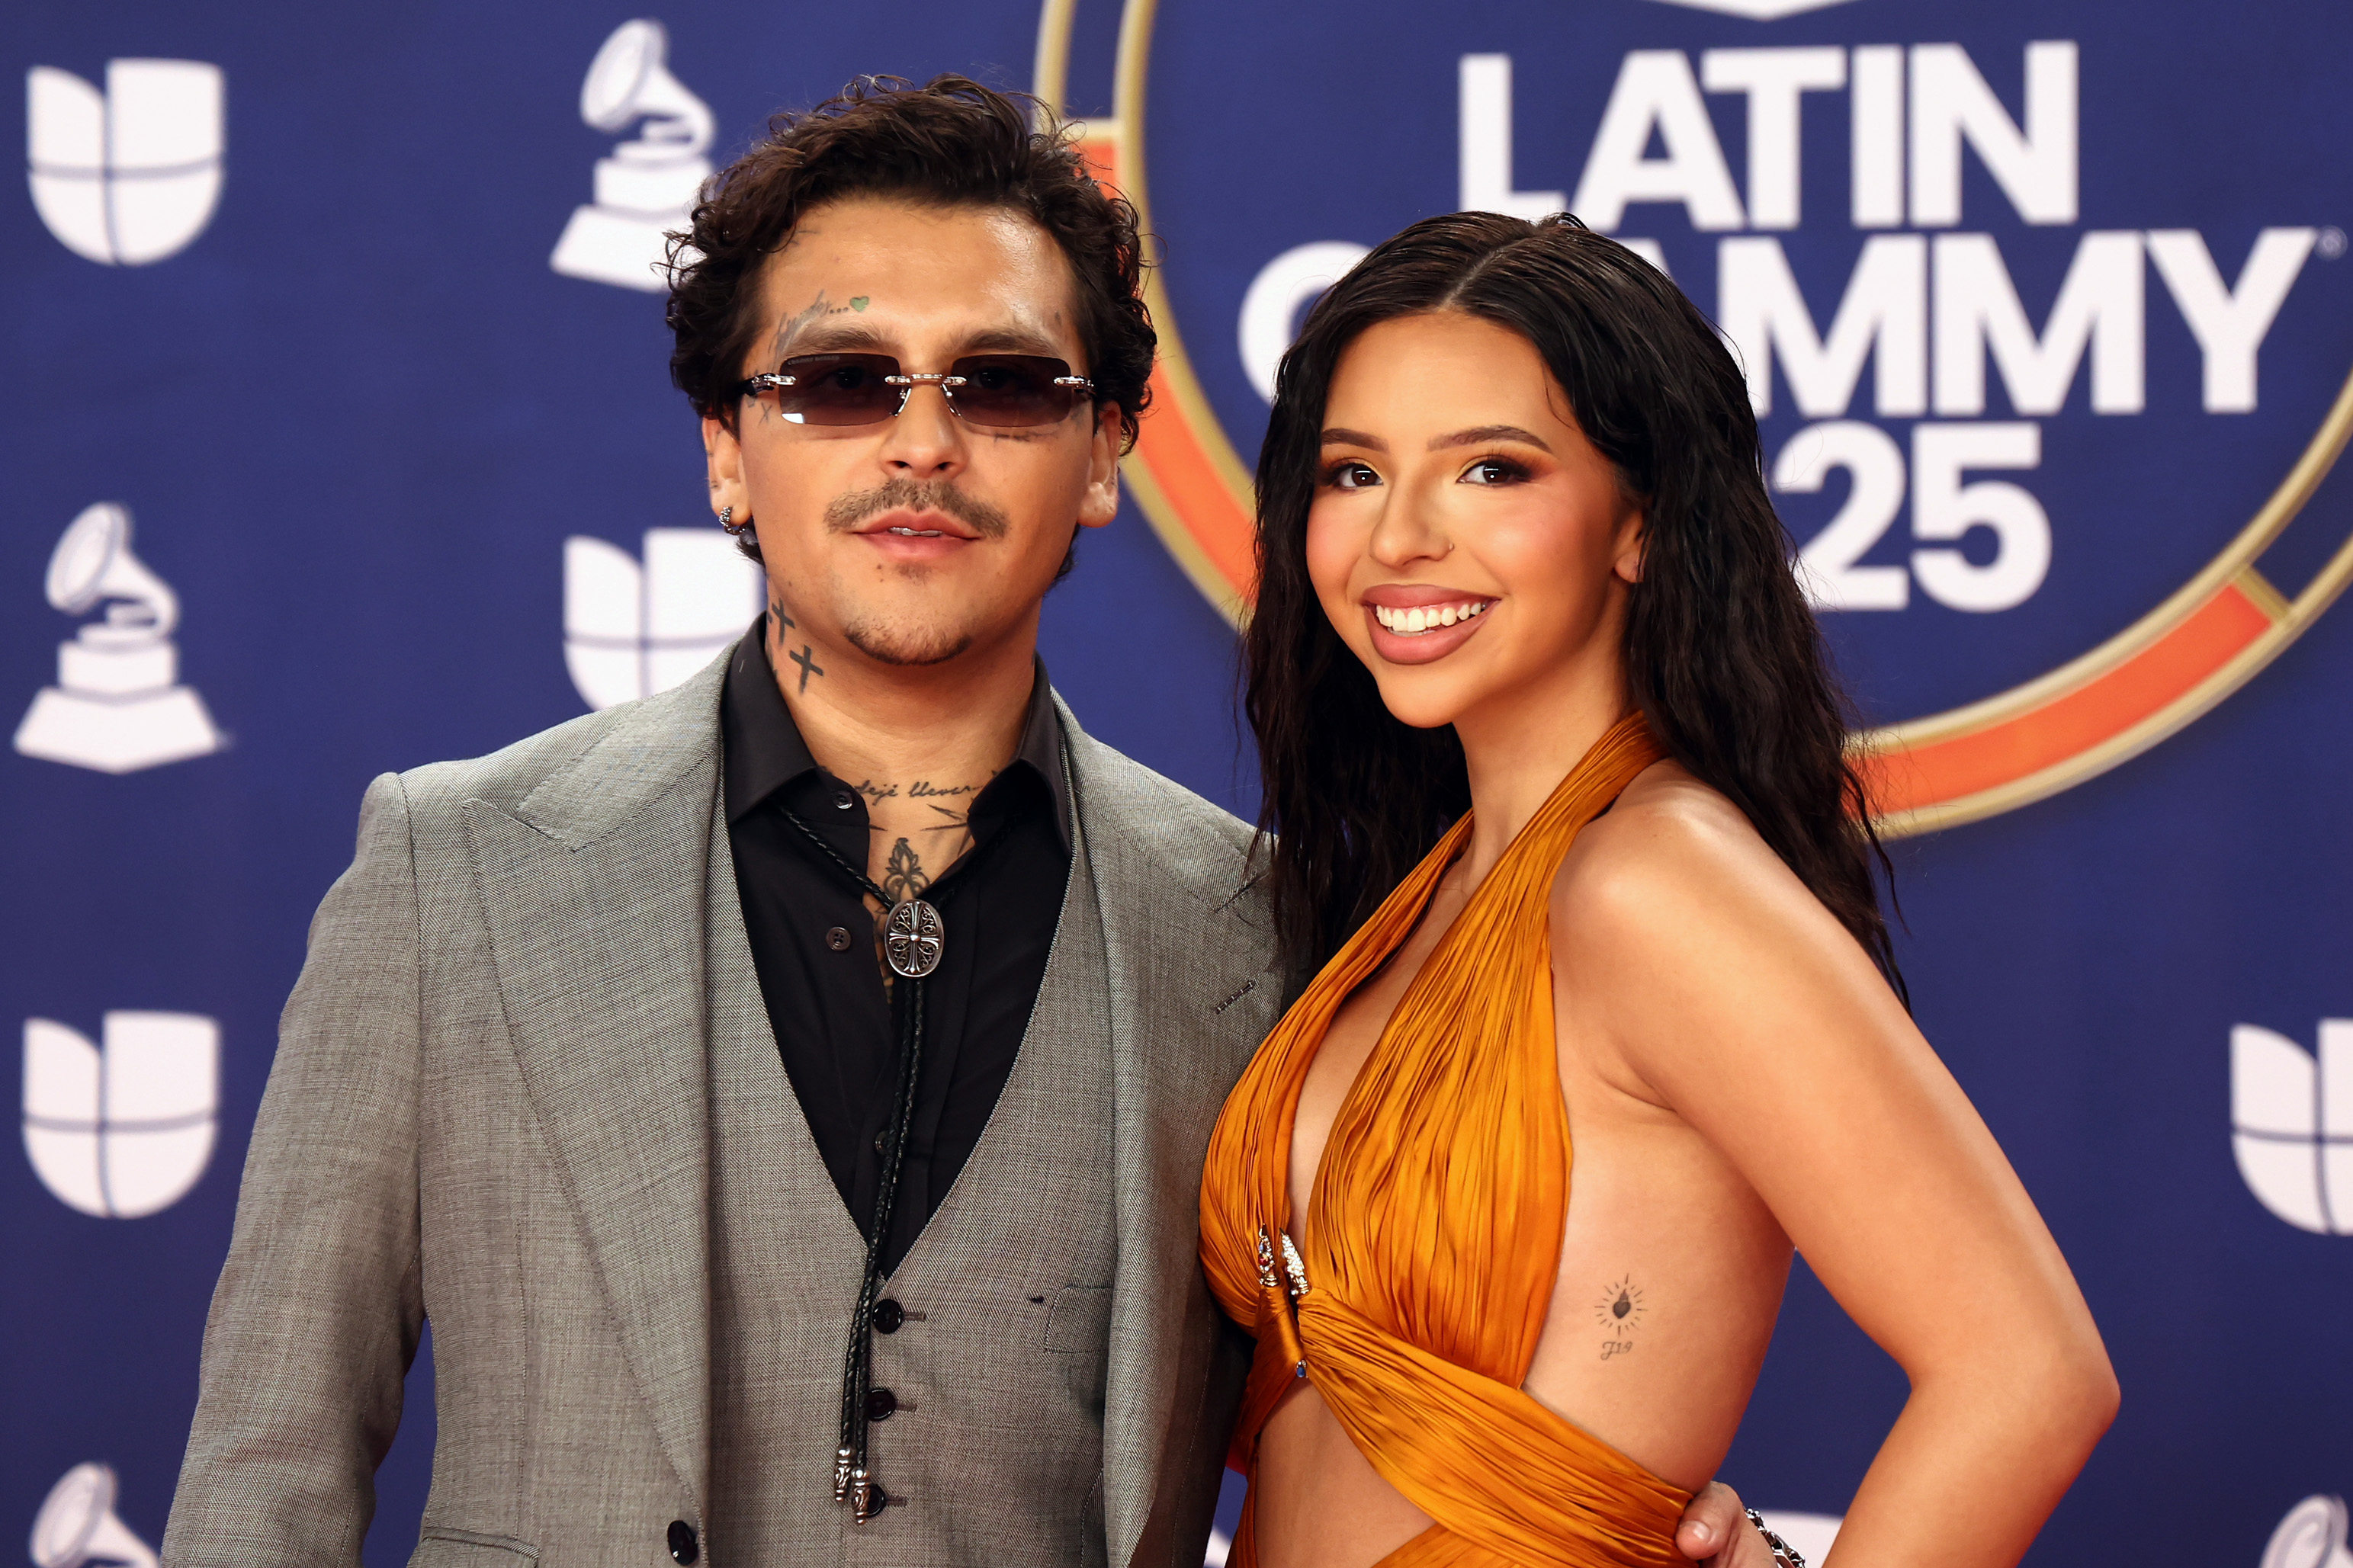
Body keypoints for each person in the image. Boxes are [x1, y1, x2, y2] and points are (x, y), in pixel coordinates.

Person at [160, 82, 1771, 1568]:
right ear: (727, 454)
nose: (921, 442)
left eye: (1002, 385)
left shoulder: (1262, 934)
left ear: (1103, 461)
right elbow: (269, 1477)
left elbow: (1372, 1426)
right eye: (840, 384)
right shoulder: (457, 874)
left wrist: (1636, 1516)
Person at [1201, 212, 2120, 1568]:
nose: (1399, 536)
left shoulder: (1653, 877)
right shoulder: (1438, 881)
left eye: (1490, 469)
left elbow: (2028, 1368)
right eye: (1353, 473)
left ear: (1636, 525)